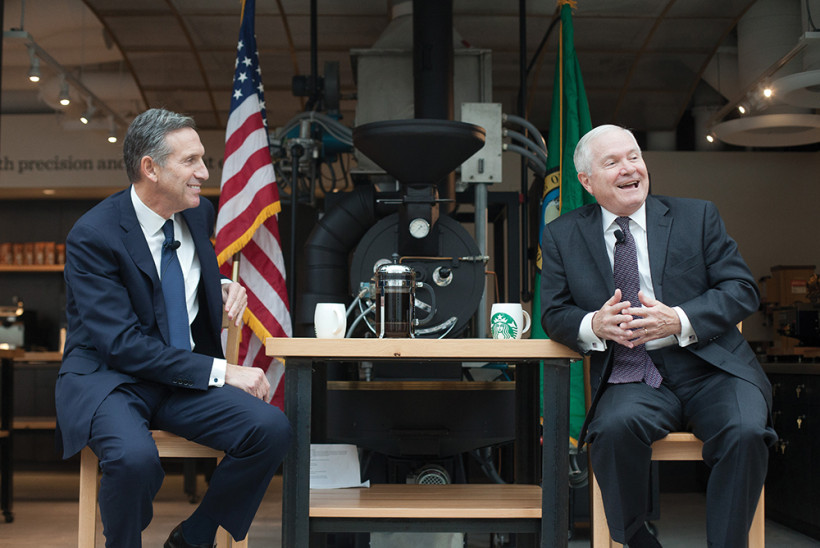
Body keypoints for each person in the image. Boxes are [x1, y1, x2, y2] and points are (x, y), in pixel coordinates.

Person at [56, 108, 292, 548]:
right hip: (115, 380)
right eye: (191, 161)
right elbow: (121, 344)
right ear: (151, 168)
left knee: (272, 429)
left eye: (202, 160)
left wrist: (218, 282)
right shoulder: (92, 235)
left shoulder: (198, 212)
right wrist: (224, 372)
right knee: (133, 460)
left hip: (179, 383)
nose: (204, 172)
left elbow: (178, 269)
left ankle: (193, 537)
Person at [539, 124, 775, 548]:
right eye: (612, 162)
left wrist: (680, 319)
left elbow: (742, 289)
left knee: (745, 432)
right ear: (588, 182)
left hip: (713, 369)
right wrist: (592, 325)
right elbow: (554, 313)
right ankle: (637, 538)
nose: (630, 168)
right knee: (611, 431)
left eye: (634, 157)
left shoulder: (697, 216)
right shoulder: (562, 234)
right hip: (634, 373)